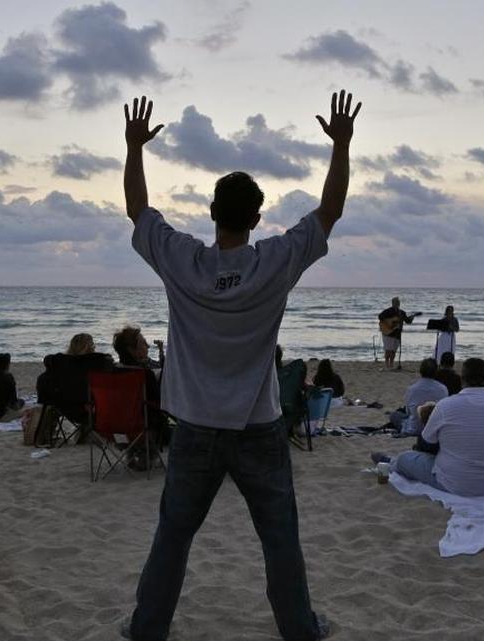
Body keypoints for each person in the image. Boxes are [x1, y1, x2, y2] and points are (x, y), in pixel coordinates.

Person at [122, 90, 359, 641]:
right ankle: (299, 629)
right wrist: (341, 147)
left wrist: (134, 149)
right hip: (258, 428)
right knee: (279, 539)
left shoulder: (183, 261)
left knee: (172, 538)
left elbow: (138, 210)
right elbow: (330, 212)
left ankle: (147, 629)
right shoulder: (273, 262)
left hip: (195, 428)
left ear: (211, 214)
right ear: (256, 218)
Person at [372, 358, 484, 497]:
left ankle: (391, 463)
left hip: (454, 482)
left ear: (463, 379)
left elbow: (426, 440)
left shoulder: (447, 405)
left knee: (406, 458)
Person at [113, 325, 167, 466]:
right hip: (142, 426)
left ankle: (131, 453)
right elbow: (158, 403)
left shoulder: (110, 373)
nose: (148, 346)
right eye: (143, 343)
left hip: (112, 427)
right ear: (132, 350)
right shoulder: (145, 375)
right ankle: (147, 455)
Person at [394, 358, 448, 436]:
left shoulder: (412, 389)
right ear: (436, 372)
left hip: (415, 428)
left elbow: (408, 411)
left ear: (421, 371)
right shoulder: (443, 389)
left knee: (395, 415)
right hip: (436, 428)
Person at [378, 297, 416, 370]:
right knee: (388, 350)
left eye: (398, 302)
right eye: (396, 302)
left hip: (397, 334)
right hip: (388, 333)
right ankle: (386, 363)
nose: (397, 304)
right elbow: (380, 316)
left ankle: (391, 363)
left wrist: (412, 318)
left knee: (393, 350)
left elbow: (408, 321)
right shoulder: (388, 311)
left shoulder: (402, 312)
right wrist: (388, 323)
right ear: (392, 303)